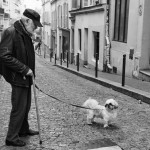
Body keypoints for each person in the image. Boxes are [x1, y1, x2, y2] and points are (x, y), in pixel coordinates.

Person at [0, 8, 43, 147]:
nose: (36, 27)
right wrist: (24, 69)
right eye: (35, 24)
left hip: (26, 78)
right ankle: (11, 137)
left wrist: (35, 46)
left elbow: (23, 53)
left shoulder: (25, 33)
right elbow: (4, 56)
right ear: (27, 20)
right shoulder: (11, 32)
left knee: (26, 106)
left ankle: (23, 129)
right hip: (18, 77)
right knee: (19, 108)